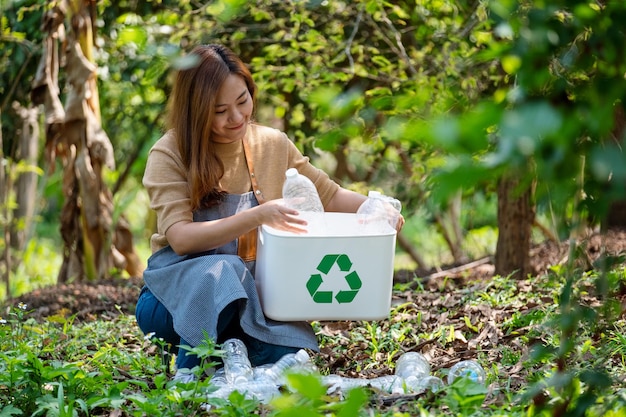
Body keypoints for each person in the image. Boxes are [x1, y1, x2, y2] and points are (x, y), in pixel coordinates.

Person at [135, 44, 404, 382]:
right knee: (223, 270)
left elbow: (331, 195)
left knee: (286, 360)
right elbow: (181, 238)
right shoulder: (170, 153)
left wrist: (376, 207)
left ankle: (233, 350)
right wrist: (259, 215)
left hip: (256, 300)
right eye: (220, 111)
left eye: (242, 101)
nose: (236, 118)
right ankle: (192, 374)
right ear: (196, 109)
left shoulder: (270, 144)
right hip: (171, 299)